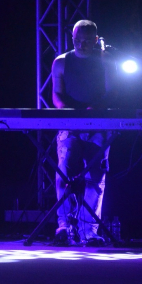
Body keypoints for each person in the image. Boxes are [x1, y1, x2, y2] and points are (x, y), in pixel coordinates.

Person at [51, 19, 116, 246]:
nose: (81, 44)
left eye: (87, 41)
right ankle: (64, 227)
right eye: (77, 40)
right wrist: (68, 111)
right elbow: (56, 94)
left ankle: (89, 231)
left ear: (96, 40)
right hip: (70, 124)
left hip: (99, 125)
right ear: (72, 38)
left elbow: (112, 92)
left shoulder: (106, 61)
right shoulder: (61, 62)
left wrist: (95, 109)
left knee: (95, 176)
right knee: (64, 171)